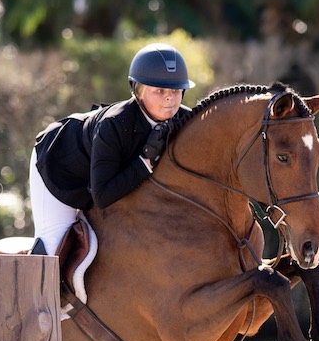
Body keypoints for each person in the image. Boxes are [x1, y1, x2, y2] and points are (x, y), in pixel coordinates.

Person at [27, 43, 195, 255]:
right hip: (60, 165)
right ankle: (35, 284)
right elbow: (103, 196)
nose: (169, 98)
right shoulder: (114, 124)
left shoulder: (186, 119)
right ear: (138, 92)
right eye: (159, 91)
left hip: (105, 175)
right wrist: (145, 163)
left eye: (175, 90)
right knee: (54, 246)